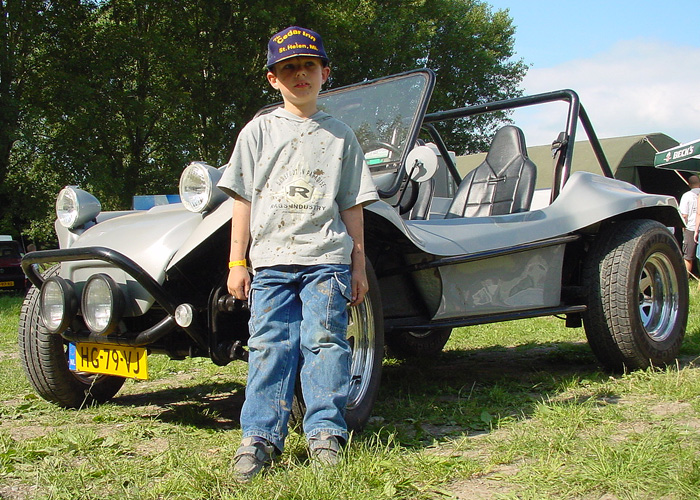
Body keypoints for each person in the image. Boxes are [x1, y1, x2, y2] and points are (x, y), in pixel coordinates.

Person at [217, 26, 379, 482]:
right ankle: (259, 438)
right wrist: (237, 261)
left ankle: (326, 434)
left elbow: (352, 205)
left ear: (325, 72)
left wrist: (358, 263)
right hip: (270, 261)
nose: (300, 75)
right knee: (270, 346)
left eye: (308, 65)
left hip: (326, 261)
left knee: (325, 343)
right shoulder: (257, 133)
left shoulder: (341, 136)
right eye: (288, 68)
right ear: (273, 79)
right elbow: (242, 200)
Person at [680, 175, 700, 275]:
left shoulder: (686, 196)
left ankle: (686, 280)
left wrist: (683, 227)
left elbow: (684, 215)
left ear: (689, 184)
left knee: (688, 257)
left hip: (691, 228)